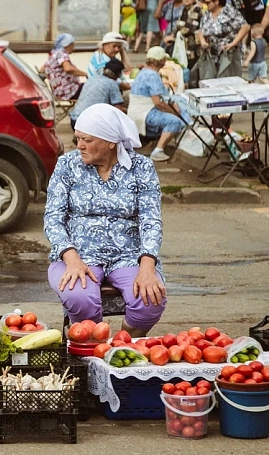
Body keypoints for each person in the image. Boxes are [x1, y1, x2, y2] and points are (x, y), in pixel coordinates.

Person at [44, 104, 166, 336]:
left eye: (87, 140)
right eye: (78, 138)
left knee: (150, 299)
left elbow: (151, 219)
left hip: (128, 255)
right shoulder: (67, 166)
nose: (79, 145)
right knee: (79, 297)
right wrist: (72, 259)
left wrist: (147, 267)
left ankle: (124, 345)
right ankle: (90, 347)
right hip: (78, 254)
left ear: (111, 142)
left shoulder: (142, 168)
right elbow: (53, 218)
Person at [129, 46, 192, 161]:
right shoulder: (152, 75)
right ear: (159, 61)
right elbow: (159, 103)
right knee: (176, 121)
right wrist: (175, 113)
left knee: (177, 114)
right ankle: (158, 150)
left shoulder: (144, 72)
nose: (165, 62)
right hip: (145, 113)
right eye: (164, 60)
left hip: (136, 111)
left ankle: (169, 142)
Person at [198, 0, 250, 78]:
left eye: (208, 3)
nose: (206, 5)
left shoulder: (229, 10)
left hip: (228, 52)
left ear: (216, 2)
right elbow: (201, 30)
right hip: (211, 53)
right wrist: (203, 41)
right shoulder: (206, 13)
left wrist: (234, 43)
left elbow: (245, 27)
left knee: (228, 79)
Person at [70, 60, 129, 129]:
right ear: (119, 74)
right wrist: (130, 111)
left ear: (104, 69)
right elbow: (118, 109)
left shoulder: (92, 79)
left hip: (74, 120)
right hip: (89, 124)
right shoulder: (112, 83)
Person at [44, 33, 86, 101]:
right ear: (67, 44)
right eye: (72, 45)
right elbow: (68, 68)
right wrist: (85, 74)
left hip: (58, 92)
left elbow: (42, 70)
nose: (73, 47)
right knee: (92, 87)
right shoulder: (62, 53)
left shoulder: (53, 54)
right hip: (68, 92)